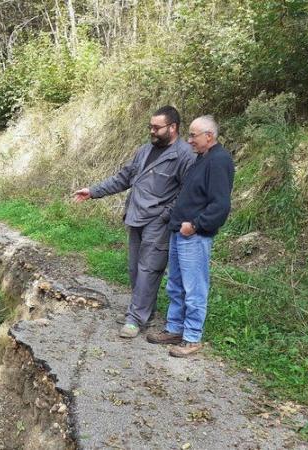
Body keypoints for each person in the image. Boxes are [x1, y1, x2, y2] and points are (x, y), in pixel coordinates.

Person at [73, 106, 195, 338]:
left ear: (173, 127)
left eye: (157, 128)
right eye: (150, 127)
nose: (152, 131)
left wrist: (166, 214)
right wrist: (93, 191)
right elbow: (123, 178)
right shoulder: (145, 150)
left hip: (158, 221)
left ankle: (136, 318)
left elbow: (187, 192)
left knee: (149, 269)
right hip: (135, 216)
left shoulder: (184, 155)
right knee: (134, 268)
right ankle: (141, 312)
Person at [146, 115, 235, 357]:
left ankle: (192, 337)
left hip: (193, 235)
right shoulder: (201, 158)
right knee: (175, 285)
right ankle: (175, 329)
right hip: (179, 231)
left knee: (194, 287)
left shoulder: (219, 161)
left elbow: (220, 205)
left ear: (209, 136)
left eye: (194, 136)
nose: (189, 140)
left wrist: (195, 225)